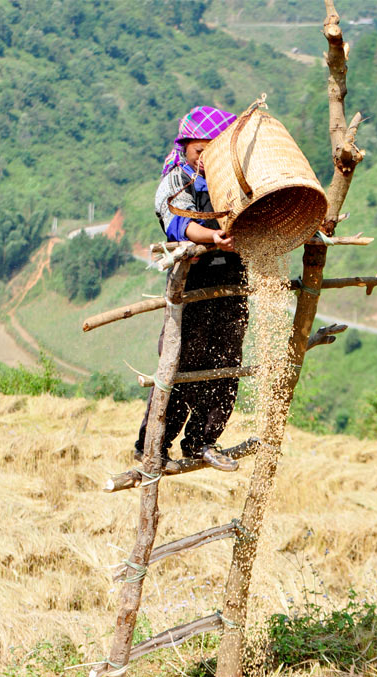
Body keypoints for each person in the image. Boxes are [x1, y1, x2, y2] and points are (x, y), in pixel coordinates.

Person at [135, 106, 248, 472]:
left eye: (212, 152)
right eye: (199, 151)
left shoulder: (231, 182)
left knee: (226, 361)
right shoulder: (174, 182)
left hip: (232, 279)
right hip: (193, 280)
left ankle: (203, 441)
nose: (203, 159)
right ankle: (152, 445)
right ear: (185, 148)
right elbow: (180, 224)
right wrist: (213, 236)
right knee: (183, 361)